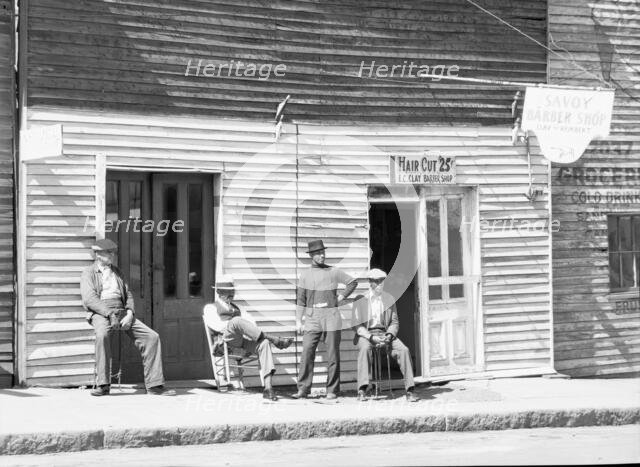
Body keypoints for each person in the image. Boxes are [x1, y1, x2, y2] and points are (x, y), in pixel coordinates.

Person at [80, 238, 173, 396]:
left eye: (113, 252)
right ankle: (103, 384)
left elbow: (128, 294)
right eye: (108, 252)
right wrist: (109, 314)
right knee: (102, 336)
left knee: (152, 337)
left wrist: (130, 313)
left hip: (121, 311)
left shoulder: (117, 272)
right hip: (101, 312)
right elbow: (89, 299)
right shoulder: (88, 273)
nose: (112, 255)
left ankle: (154, 385)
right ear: (98, 254)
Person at [210, 275, 293, 401]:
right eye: (228, 291)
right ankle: (275, 339)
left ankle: (268, 388)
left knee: (264, 343)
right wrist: (237, 324)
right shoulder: (211, 308)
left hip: (240, 342)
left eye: (233, 291)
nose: (231, 293)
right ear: (219, 291)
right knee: (236, 320)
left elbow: (252, 324)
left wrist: (244, 327)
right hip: (224, 343)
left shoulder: (238, 308)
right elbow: (217, 326)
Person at [292, 239, 357, 400]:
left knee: (333, 355)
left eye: (323, 252)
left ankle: (332, 390)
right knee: (307, 352)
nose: (322, 256)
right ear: (311, 256)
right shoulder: (305, 275)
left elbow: (352, 282)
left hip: (331, 319)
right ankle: (303, 389)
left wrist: (340, 298)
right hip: (312, 319)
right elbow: (301, 299)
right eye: (318, 253)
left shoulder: (333, 271)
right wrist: (298, 321)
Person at [352, 268, 418, 402]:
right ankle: (362, 389)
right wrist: (371, 337)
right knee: (365, 349)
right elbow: (356, 325)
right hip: (366, 334)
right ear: (370, 283)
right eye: (377, 282)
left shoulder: (389, 298)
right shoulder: (360, 299)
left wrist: (389, 335)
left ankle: (410, 390)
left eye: (382, 281)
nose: (380, 285)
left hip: (385, 333)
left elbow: (394, 322)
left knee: (404, 350)